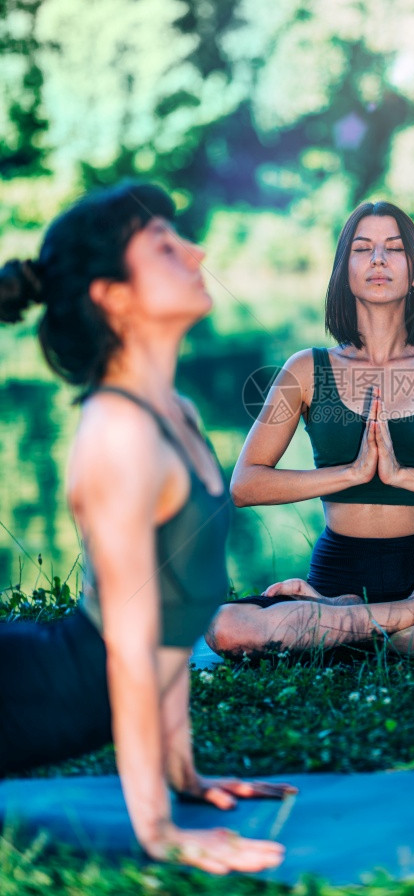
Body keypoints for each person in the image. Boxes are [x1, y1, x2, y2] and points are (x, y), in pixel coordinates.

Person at [0, 183, 293, 875]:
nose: (195, 251)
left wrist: (184, 774)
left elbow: (172, 628)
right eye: (163, 245)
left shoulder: (175, 412)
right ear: (114, 296)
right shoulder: (120, 435)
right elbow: (131, 651)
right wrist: (159, 831)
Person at [206, 201, 414, 665]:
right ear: (344, 272)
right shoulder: (304, 370)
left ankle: (351, 624)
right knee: (226, 628)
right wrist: (351, 473)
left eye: (395, 248)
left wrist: (406, 476)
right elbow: (246, 484)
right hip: (339, 572)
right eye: (363, 248)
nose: (379, 259)